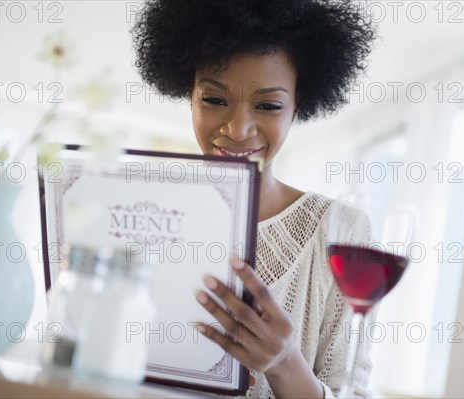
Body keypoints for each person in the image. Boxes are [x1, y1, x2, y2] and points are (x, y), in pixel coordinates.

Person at [132, 1, 377, 397]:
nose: (238, 128)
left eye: (267, 105)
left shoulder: (344, 232)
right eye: (213, 99)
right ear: (189, 96)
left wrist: (285, 364)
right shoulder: (138, 214)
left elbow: (353, 390)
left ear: (297, 108)